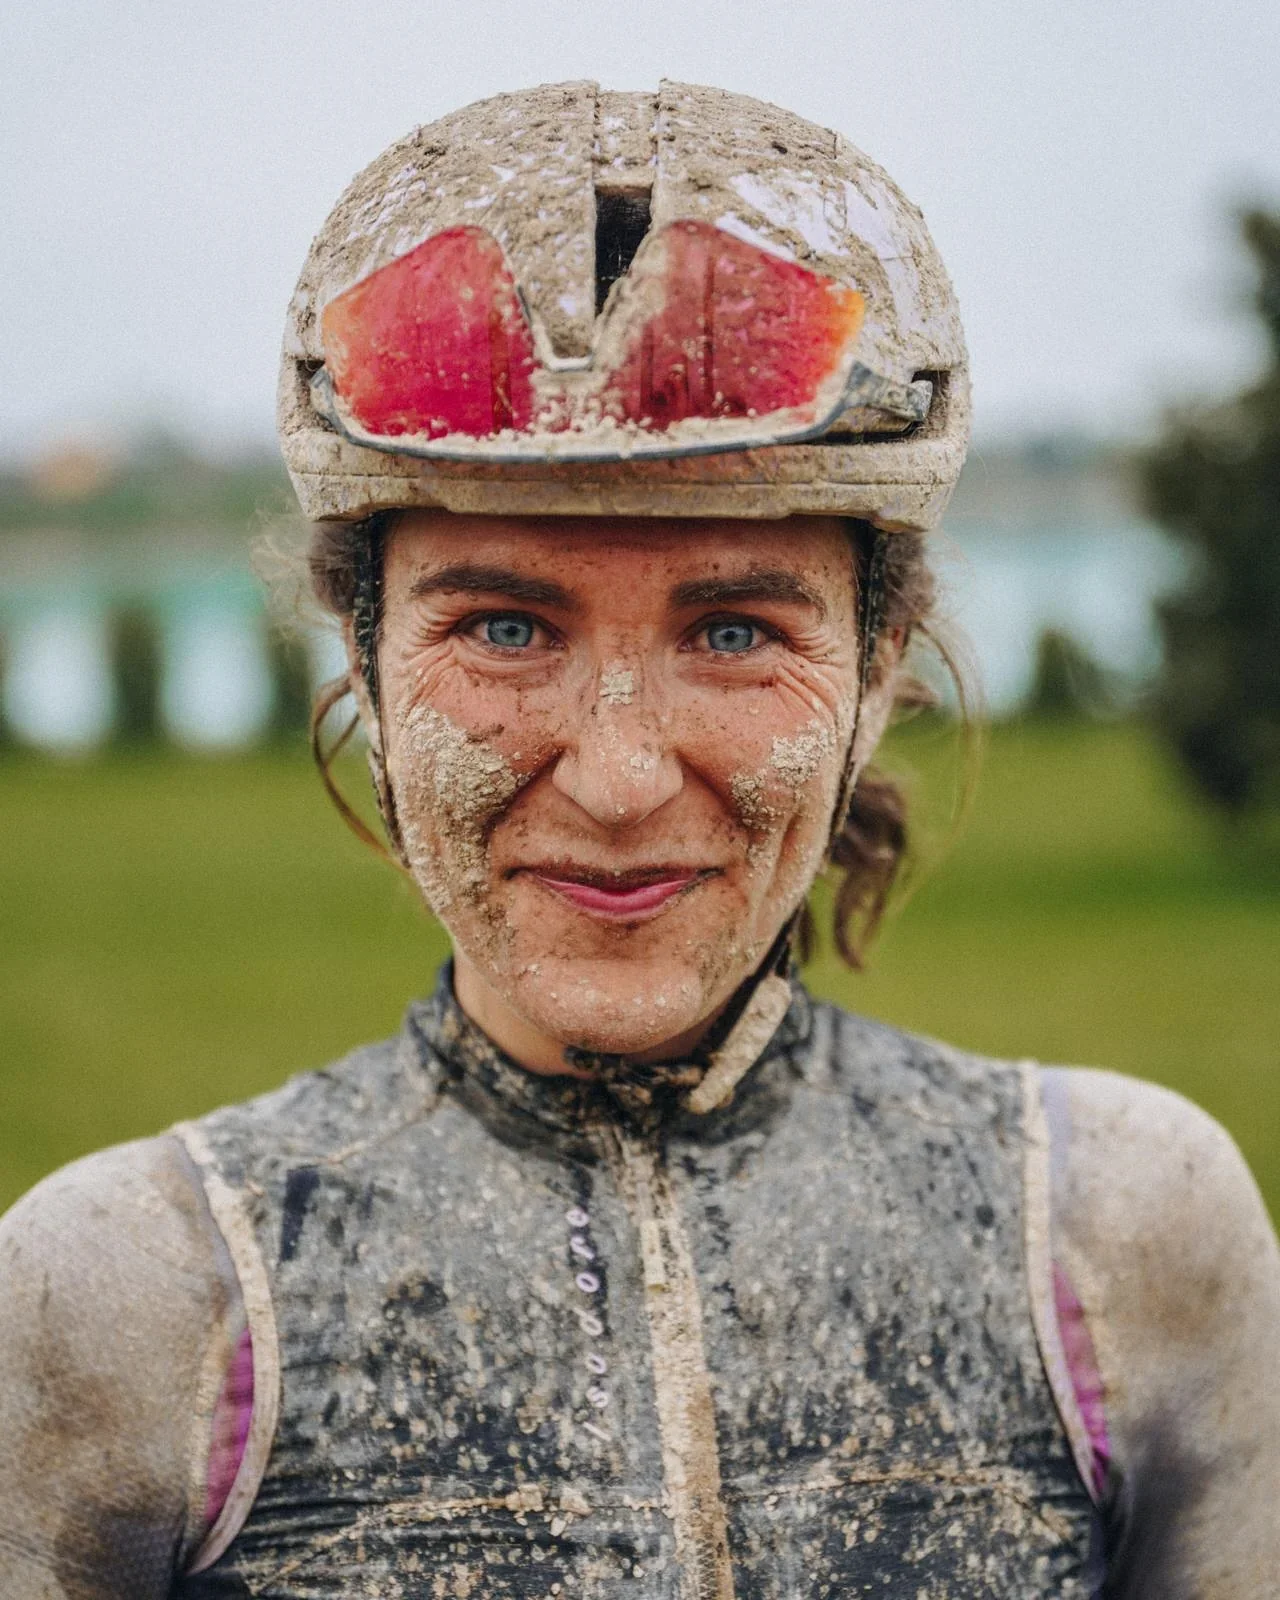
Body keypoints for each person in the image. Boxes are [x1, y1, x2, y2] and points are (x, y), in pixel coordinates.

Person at [0, 81, 1276, 1600]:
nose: (614, 777)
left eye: (735, 629)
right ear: (366, 673)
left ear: (877, 678)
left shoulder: (1128, 1234)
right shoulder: (123, 1295)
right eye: (502, 625)